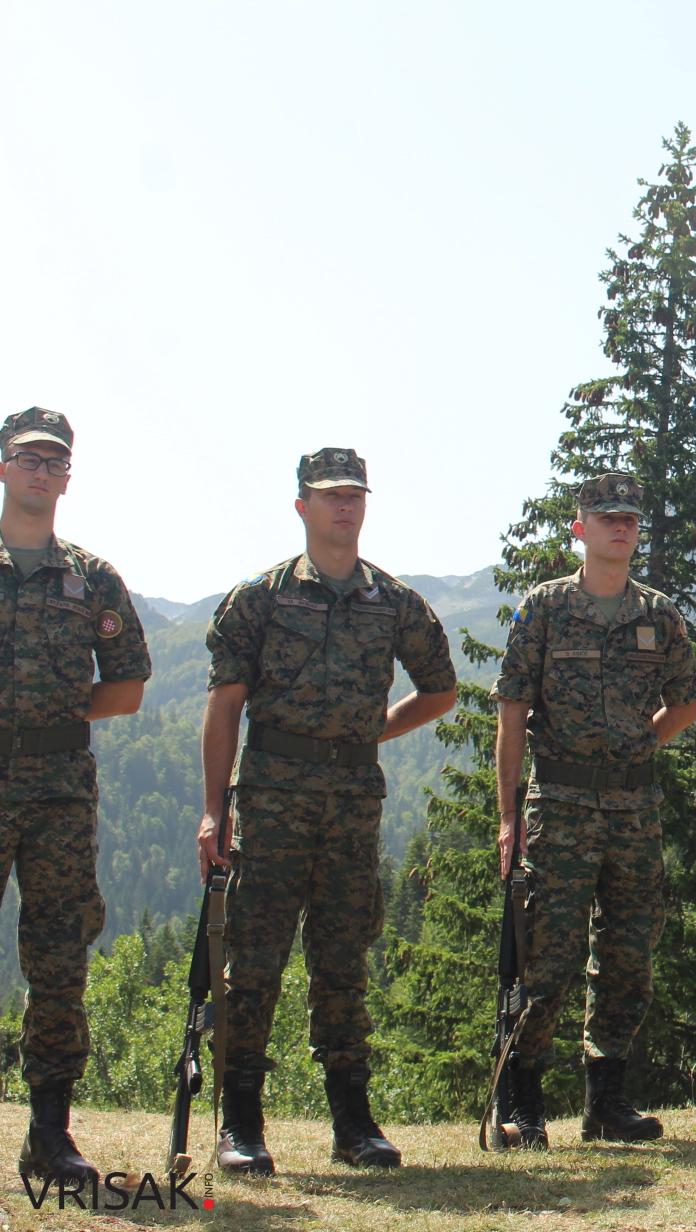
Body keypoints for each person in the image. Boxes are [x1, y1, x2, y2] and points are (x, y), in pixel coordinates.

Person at [199, 448, 456, 1173]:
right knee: (255, 963)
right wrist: (212, 812)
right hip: (272, 798)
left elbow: (440, 690)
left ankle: (353, 1122)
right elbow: (223, 709)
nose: (345, 507)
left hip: (351, 805)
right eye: (330, 495)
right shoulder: (263, 597)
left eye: (355, 495)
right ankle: (241, 1122)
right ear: (302, 506)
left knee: (343, 962)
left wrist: (372, 728)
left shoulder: (393, 602)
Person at [491, 472, 696, 1148]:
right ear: (580, 527)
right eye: (607, 516)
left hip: (635, 808)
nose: (621, 527)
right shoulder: (545, 608)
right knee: (545, 959)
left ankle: (606, 1103)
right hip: (560, 803)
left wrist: (644, 740)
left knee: (628, 956)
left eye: (631, 519)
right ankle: (523, 1103)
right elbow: (513, 712)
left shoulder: (659, 615)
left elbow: (687, 701)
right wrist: (508, 813)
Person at [0, 407, 150, 1184]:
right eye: (28, 457)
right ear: (2, 465)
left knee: (59, 961)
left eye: (55, 461)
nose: (42, 471)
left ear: (68, 477)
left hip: (59, 788)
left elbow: (126, 686)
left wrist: (55, 717)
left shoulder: (92, 578)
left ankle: (49, 1136)